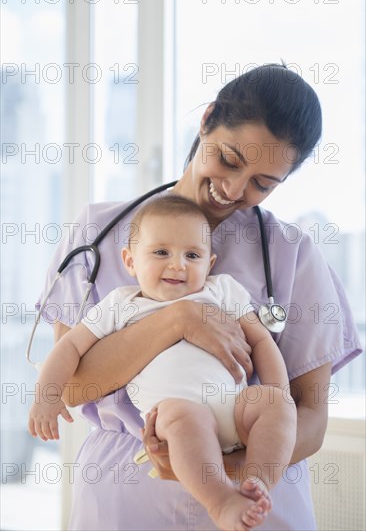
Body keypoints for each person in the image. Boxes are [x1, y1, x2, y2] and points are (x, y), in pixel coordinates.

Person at [36, 63, 362, 531]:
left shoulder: (293, 255)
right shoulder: (98, 233)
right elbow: (73, 386)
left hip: (258, 500)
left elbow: (309, 414)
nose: (233, 188)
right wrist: (177, 320)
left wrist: (223, 473)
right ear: (207, 120)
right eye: (229, 160)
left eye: (262, 185)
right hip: (126, 495)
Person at [29, 195, 297, 530]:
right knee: (181, 415)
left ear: (209, 264)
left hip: (238, 410)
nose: (178, 265)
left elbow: (260, 341)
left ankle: (256, 482)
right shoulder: (121, 305)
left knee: (274, 403)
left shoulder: (222, 291)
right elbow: (68, 347)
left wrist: (278, 394)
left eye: (192, 255)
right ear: (130, 261)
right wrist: (46, 395)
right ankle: (221, 502)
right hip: (179, 417)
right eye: (161, 252)